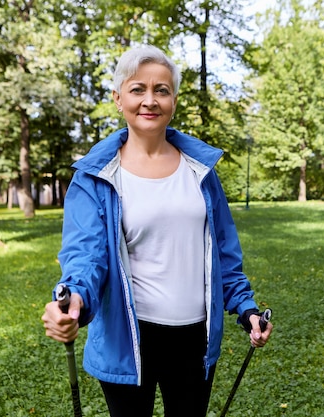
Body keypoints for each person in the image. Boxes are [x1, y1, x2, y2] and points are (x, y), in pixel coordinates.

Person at [41, 44, 273, 417]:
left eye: (161, 90)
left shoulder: (201, 172)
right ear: (118, 99)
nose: (150, 100)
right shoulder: (93, 179)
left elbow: (224, 253)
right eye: (138, 89)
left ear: (173, 100)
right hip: (128, 340)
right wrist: (76, 301)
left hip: (194, 338)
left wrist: (247, 310)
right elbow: (86, 257)